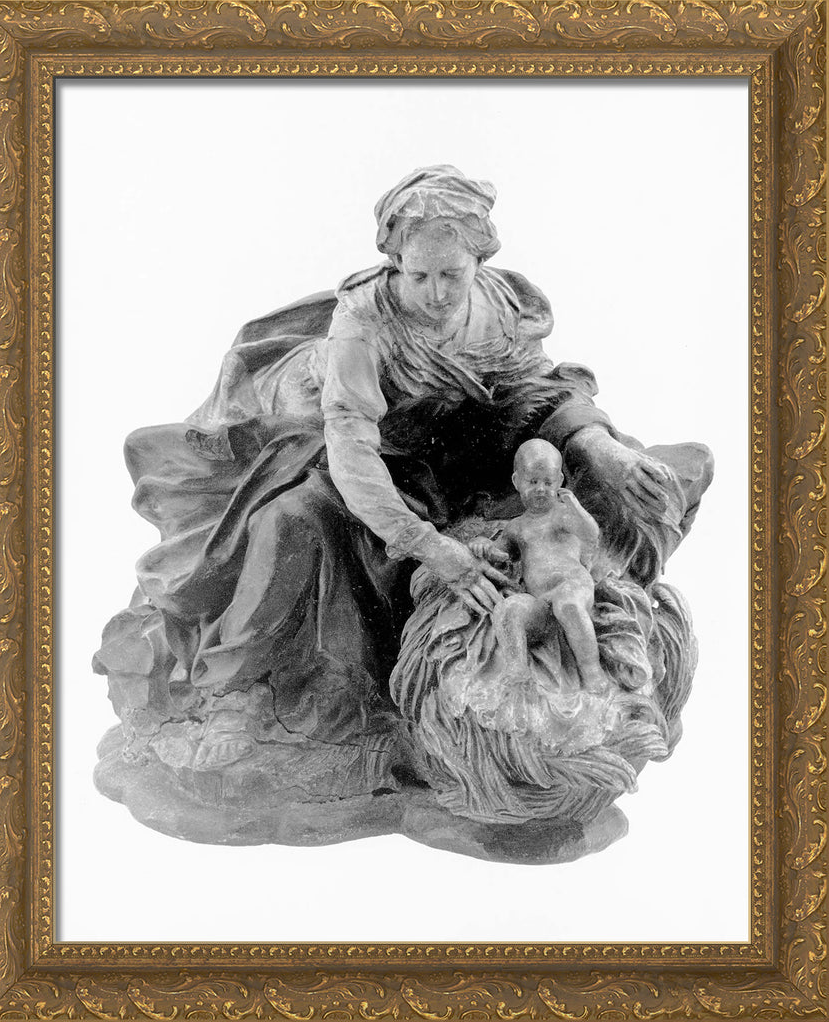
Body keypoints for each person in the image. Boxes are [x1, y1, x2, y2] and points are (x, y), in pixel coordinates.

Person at [94, 165, 711, 795]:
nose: (437, 293)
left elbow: (538, 394)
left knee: (635, 485)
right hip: (374, 459)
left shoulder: (502, 306)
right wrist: (429, 546)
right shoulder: (363, 323)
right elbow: (352, 451)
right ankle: (234, 692)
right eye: (419, 276)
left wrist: (606, 453)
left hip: (474, 456)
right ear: (394, 262)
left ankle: (593, 677)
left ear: (480, 260)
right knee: (286, 521)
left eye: (452, 275)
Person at [468, 438, 606, 693]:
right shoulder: (516, 527)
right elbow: (500, 555)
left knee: (568, 605)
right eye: (533, 482)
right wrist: (483, 545)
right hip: (540, 601)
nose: (541, 489)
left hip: (572, 587)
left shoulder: (562, 514)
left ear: (559, 482)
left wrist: (575, 507)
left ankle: (592, 672)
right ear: (517, 481)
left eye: (548, 482)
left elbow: (590, 534)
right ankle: (517, 670)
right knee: (509, 609)